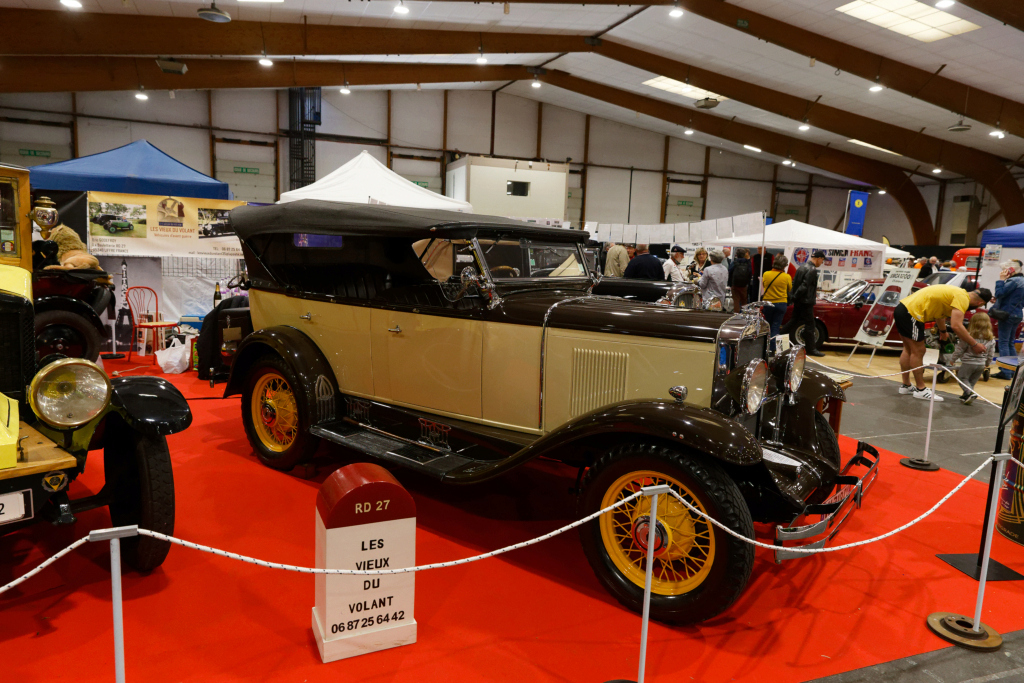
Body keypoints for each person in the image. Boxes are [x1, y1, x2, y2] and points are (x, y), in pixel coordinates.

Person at [894, 284, 992, 401]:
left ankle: (906, 386)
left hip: (903, 309)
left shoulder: (957, 293)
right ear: (980, 304)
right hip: (912, 314)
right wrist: (974, 344)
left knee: (908, 349)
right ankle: (921, 389)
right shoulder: (963, 299)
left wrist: (943, 331)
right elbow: (956, 326)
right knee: (919, 351)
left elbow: (940, 315)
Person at [783, 249, 826, 356]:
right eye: (822, 260)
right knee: (810, 325)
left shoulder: (801, 268)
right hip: (806, 302)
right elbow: (804, 286)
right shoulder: (812, 270)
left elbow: (796, 284)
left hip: (799, 301)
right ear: (818, 258)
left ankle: (778, 337)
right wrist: (795, 297)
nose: (822, 262)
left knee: (793, 321)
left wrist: (794, 297)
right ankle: (811, 349)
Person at [951, 312, 996, 405]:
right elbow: (991, 353)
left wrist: (953, 359)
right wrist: (988, 362)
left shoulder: (968, 337)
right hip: (981, 364)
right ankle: (966, 396)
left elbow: (960, 349)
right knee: (972, 381)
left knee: (962, 378)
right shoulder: (991, 339)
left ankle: (970, 393)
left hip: (968, 362)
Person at [992, 260, 1024, 379]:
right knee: (1010, 342)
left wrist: (1000, 280)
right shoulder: (1022, 281)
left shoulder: (1013, 281)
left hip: (1007, 314)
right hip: (1018, 314)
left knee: (1004, 342)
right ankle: (1012, 371)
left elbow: (999, 293)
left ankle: (1005, 371)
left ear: (1010, 270)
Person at [761, 253, 792, 348]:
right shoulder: (787, 277)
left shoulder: (766, 274)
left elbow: (764, 285)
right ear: (784, 265)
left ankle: (765, 348)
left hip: (768, 303)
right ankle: (774, 349)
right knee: (776, 326)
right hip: (781, 304)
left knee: (768, 326)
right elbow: (789, 289)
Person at [730, 248, 752, 313]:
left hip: (735, 284)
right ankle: (744, 315)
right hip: (744, 285)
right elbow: (750, 272)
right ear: (744, 254)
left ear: (736, 255)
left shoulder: (734, 262)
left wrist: (730, 283)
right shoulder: (748, 262)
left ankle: (736, 315)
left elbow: (730, 271)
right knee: (744, 301)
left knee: (736, 301)